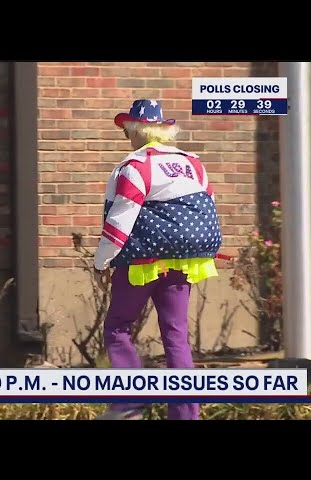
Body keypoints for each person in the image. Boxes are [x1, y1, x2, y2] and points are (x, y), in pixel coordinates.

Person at [93, 99, 223, 421]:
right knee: (176, 335)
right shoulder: (193, 164)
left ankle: (130, 402)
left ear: (136, 129)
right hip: (184, 262)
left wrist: (102, 261)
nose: (127, 136)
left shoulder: (134, 166)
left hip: (140, 262)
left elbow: (121, 220)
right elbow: (209, 205)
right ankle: (186, 414)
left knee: (118, 327)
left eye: (128, 130)